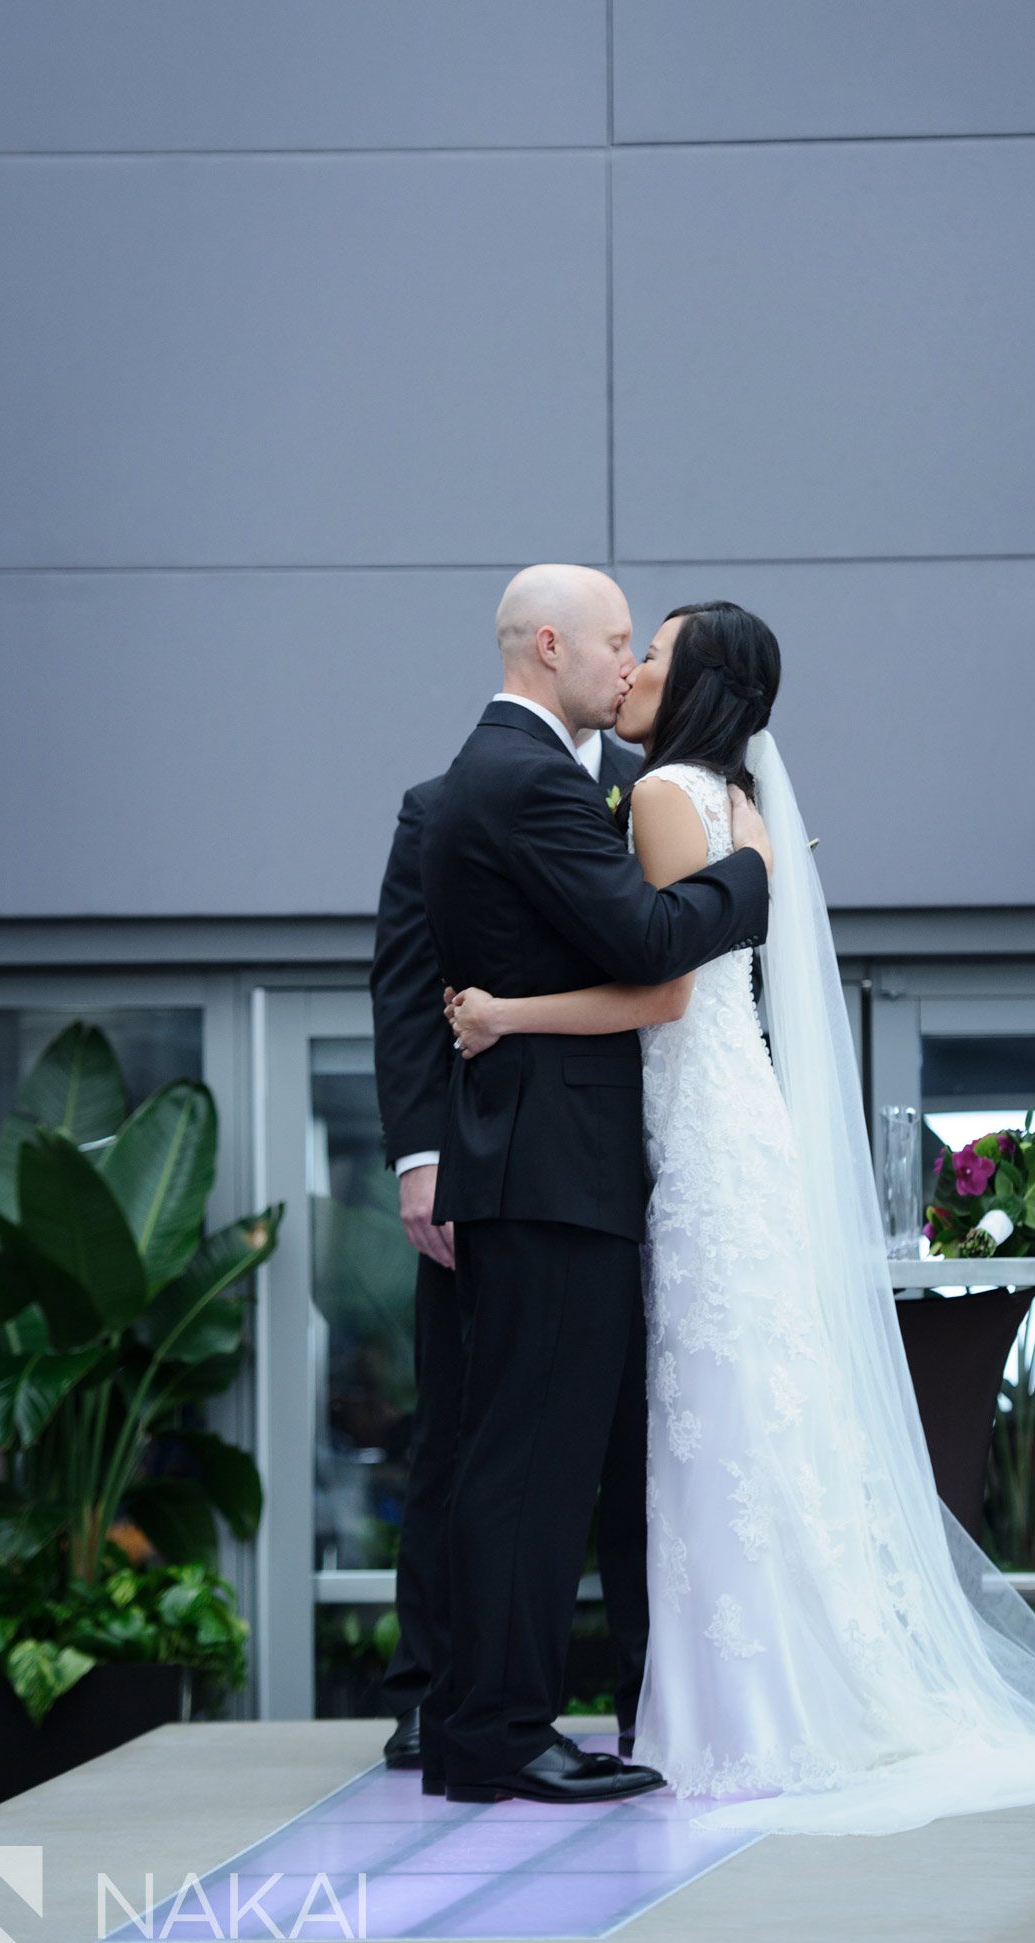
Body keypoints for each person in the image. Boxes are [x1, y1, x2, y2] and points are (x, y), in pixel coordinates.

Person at [445, 599, 1035, 1836]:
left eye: (652, 651)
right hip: (733, 1125)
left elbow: (659, 989)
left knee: (712, 1418)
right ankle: (773, 1692)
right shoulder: (745, 810)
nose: (634, 668)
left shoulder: (665, 795)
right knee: (752, 1418)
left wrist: (508, 1012)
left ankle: (738, 1711)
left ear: (697, 680)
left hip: (693, 1130)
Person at [417, 564, 771, 1806]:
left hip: (554, 1162)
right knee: (530, 1461)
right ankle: (496, 1730)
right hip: (550, 1167)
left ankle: (487, 1722)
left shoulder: (522, 771)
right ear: (550, 644)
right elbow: (653, 943)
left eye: (645, 649)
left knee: (536, 1455)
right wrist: (753, 874)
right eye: (616, 642)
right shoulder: (521, 776)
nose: (627, 666)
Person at [368, 700, 644, 1769]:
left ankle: (649, 1698)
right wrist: (421, 1156)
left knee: (641, 1445)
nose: (625, 666)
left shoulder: (657, 791)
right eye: (611, 640)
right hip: (499, 1163)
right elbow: (404, 988)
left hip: (645, 1156)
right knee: (465, 1426)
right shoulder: (441, 803)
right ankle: (436, 1694)